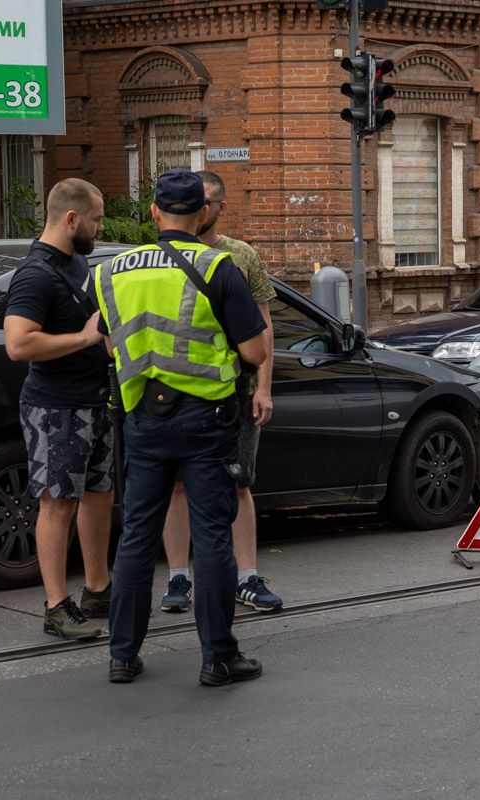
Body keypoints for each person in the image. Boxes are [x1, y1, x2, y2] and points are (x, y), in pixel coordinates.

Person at [95, 169, 269, 686]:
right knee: (212, 535)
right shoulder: (218, 267)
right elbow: (255, 352)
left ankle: (122, 655)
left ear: (153, 212)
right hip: (206, 419)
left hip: (143, 419)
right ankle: (218, 658)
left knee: (136, 535)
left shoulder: (115, 269)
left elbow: (109, 339)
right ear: (202, 213)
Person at [159, 170, 280, 615]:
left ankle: (246, 577)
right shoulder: (162, 256)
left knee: (238, 483)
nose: (200, 207)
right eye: (196, 201)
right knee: (177, 487)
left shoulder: (240, 256)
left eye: (207, 200)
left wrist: (263, 387)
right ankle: (178, 576)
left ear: (219, 207)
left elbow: (263, 327)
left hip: (236, 393)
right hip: (178, 393)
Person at [4, 178, 113, 641]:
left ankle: (98, 590)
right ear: (71, 218)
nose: (100, 227)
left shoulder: (77, 262)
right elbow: (18, 343)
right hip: (56, 408)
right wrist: (86, 338)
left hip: (94, 400)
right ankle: (55, 606)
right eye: (96, 219)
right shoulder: (36, 274)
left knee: (99, 495)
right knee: (57, 503)